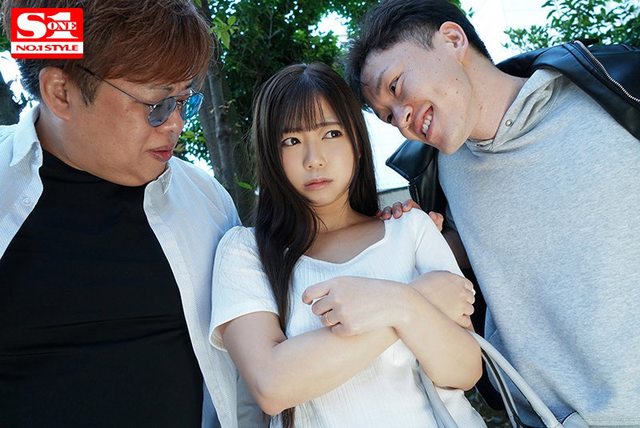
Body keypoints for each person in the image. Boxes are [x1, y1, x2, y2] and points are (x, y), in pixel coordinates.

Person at [346, 0, 640, 426]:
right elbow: (475, 261)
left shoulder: (614, 91)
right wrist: (418, 238)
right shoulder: (438, 177)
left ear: (452, 39)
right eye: (388, 117)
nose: (402, 119)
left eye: (396, 86)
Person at [0, 1, 259, 427]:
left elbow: (243, 379)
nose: (175, 124)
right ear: (60, 93)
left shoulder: (208, 205)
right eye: (157, 104)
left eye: (184, 101)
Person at [209, 62, 485, 428]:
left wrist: (402, 305)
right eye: (292, 141)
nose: (314, 159)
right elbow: (272, 385)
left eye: (331, 133)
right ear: (270, 154)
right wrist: (410, 302)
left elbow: (465, 371)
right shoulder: (246, 252)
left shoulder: (411, 230)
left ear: (357, 142)